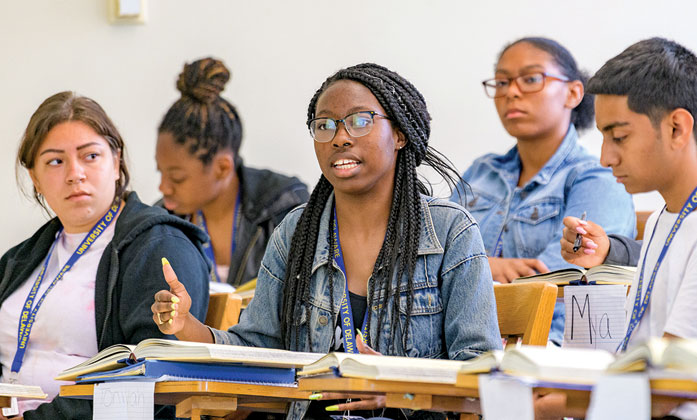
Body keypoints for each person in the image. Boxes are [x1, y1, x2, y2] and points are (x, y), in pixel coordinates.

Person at [151, 63, 502, 420]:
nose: (339, 137)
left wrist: (401, 388)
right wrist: (186, 326)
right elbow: (257, 349)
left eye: (360, 121)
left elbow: (482, 375)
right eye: (325, 125)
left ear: (399, 134)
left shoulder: (450, 231)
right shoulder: (295, 232)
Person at [559, 38, 697, 419]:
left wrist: (560, 404)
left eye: (619, 137)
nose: (606, 157)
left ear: (677, 128)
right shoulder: (665, 218)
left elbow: (671, 387)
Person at [0, 92, 209, 420]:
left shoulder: (159, 247)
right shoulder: (24, 257)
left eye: (91, 156)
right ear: (35, 179)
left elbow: (150, 382)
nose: (75, 173)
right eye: (55, 161)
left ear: (116, 162)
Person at [451, 37, 635, 344]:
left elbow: (554, 282)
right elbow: (428, 263)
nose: (512, 92)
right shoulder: (481, 171)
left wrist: (466, 269)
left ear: (573, 93)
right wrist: (489, 266)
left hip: (548, 345)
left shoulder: (597, 179)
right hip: (461, 340)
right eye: (502, 82)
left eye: (531, 79)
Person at [156, 57, 309, 287]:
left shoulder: (285, 208)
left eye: (177, 177)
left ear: (222, 168)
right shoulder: (161, 222)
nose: (163, 187)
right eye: (160, 172)